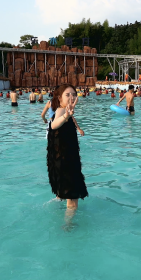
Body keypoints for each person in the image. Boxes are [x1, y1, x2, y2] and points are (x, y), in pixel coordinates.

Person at [47, 84, 88, 229]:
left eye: (74, 94)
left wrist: (71, 118)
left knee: (67, 194)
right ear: (59, 98)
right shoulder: (61, 110)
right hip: (66, 164)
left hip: (65, 161)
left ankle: (58, 200)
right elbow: (53, 125)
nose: (72, 97)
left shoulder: (67, 111)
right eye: (67, 94)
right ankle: (68, 225)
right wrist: (66, 115)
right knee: (73, 201)